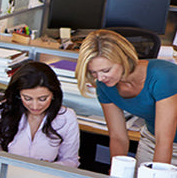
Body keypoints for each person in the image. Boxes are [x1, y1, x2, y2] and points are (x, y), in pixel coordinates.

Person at [75, 29, 177, 165]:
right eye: (94, 72)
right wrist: (116, 172)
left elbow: (164, 140)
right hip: (153, 139)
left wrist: (156, 176)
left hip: (164, 141)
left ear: (123, 59)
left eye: (106, 70)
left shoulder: (163, 76)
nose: (100, 78)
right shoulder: (104, 85)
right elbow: (118, 137)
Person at [0, 61, 80, 166]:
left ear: (53, 94)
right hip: (6, 175)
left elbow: (71, 160)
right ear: (18, 94)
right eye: (27, 98)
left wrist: (48, 168)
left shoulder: (67, 117)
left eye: (42, 99)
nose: (35, 106)